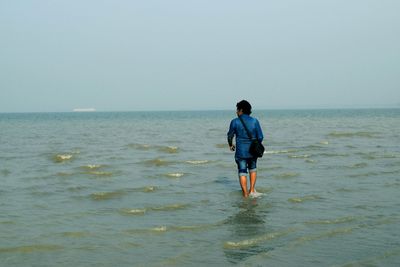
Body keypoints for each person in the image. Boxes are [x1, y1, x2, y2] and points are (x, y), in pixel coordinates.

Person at [227, 100, 264, 198]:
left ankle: (245, 194)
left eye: (237, 110)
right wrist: (256, 144)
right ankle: (252, 190)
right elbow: (260, 137)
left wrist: (231, 145)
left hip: (241, 152)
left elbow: (230, 135)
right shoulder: (255, 121)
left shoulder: (234, 121)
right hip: (253, 151)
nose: (236, 112)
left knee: (242, 171)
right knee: (253, 169)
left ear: (241, 110)